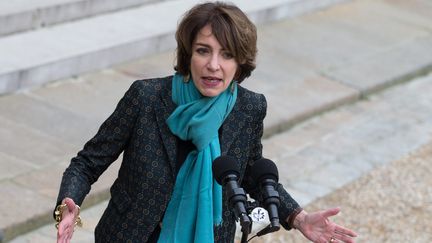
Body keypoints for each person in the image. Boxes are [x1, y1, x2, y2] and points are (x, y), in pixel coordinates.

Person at [54, 2, 358, 243]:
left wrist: (299, 218)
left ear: (240, 65)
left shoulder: (249, 107)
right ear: (188, 55)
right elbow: (87, 163)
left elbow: (253, 173)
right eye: (203, 51)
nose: (213, 65)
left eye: (227, 55)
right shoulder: (146, 98)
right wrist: (69, 202)